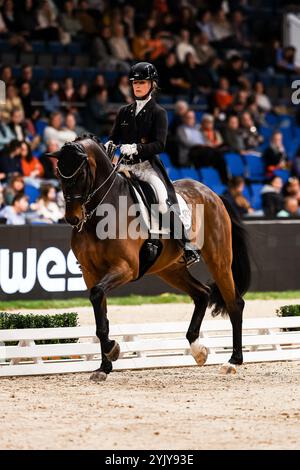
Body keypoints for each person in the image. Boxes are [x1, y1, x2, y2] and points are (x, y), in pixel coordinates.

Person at [106, 61, 200, 266]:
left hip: (146, 167)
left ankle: (186, 243)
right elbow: (114, 137)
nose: (137, 86)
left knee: (163, 198)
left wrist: (138, 149)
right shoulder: (123, 111)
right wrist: (110, 146)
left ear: (152, 84)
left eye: (142, 82)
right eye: (134, 83)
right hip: (124, 166)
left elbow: (160, 145)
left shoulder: (159, 112)